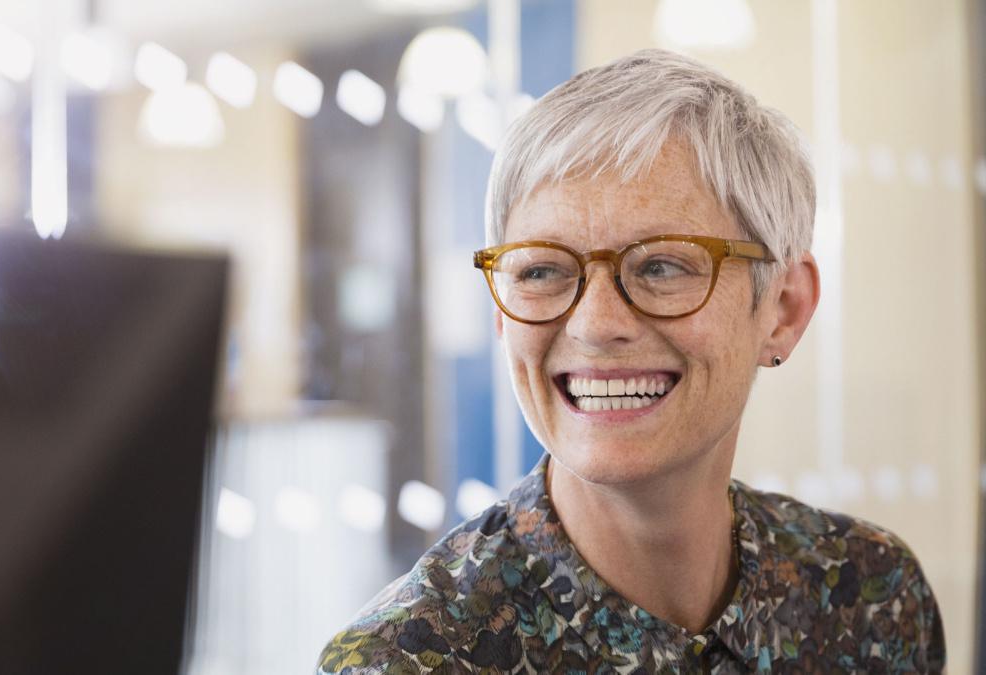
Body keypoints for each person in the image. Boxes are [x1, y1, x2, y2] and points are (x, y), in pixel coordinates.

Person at [317, 49, 945, 673]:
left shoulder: (872, 599)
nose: (595, 326)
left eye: (662, 266)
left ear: (783, 306)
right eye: (541, 270)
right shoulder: (408, 661)